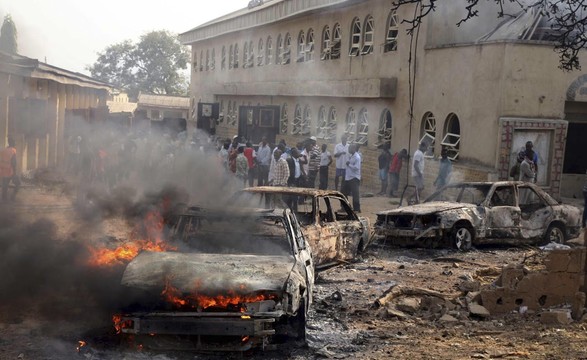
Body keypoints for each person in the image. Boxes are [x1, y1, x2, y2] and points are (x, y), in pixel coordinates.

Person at [342, 144, 361, 212]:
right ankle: (345, 208)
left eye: (350, 148)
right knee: (343, 192)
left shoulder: (357, 157)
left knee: (355, 194)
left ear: (354, 148)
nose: (349, 150)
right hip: (348, 177)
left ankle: (357, 209)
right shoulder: (351, 156)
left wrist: (349, 164)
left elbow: (356, 168)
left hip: (354, 178)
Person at [0, 137, 20, 202]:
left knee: (4, 187)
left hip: (3, 171)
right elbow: (14, 162)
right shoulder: (13, 150)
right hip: (10, 171)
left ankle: (4, 199)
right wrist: (15, 172)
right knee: (18, 183)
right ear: (12, 143)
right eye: (14, 142)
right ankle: (12, 197)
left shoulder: (4, 150)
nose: (15, 143)